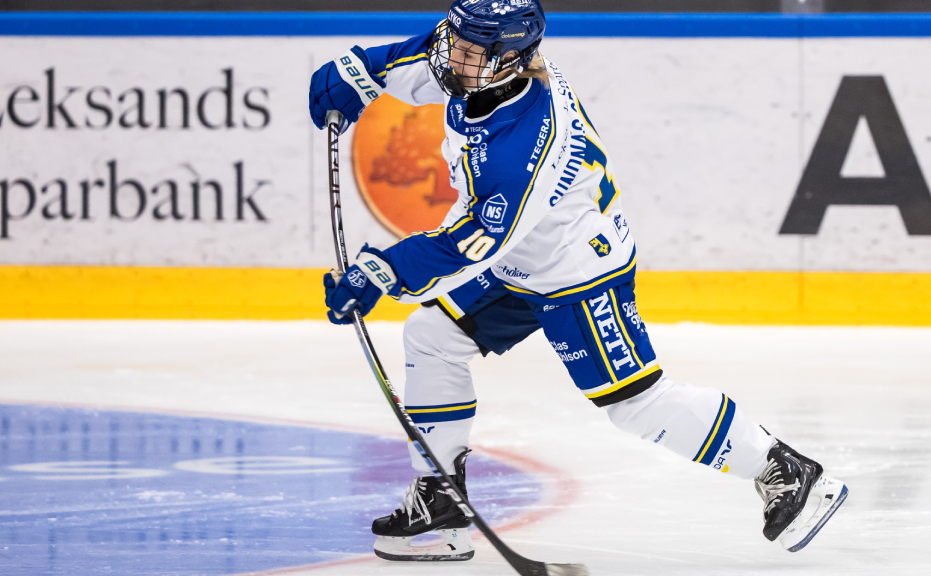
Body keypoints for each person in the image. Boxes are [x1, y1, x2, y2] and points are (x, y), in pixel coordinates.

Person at [308, 0, 847, 563]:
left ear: (509, 59)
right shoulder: (483, 64)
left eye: (470, 49)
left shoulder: (528, 143)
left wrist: (385, 272)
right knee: (432, 337)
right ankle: (442, 502)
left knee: (636, 405)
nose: (452, 55)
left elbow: (476, 240)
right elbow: (425, 56)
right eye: (456, 40)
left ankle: (784, 468)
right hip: (520, 258)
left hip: (577, 270)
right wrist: (360, 72)